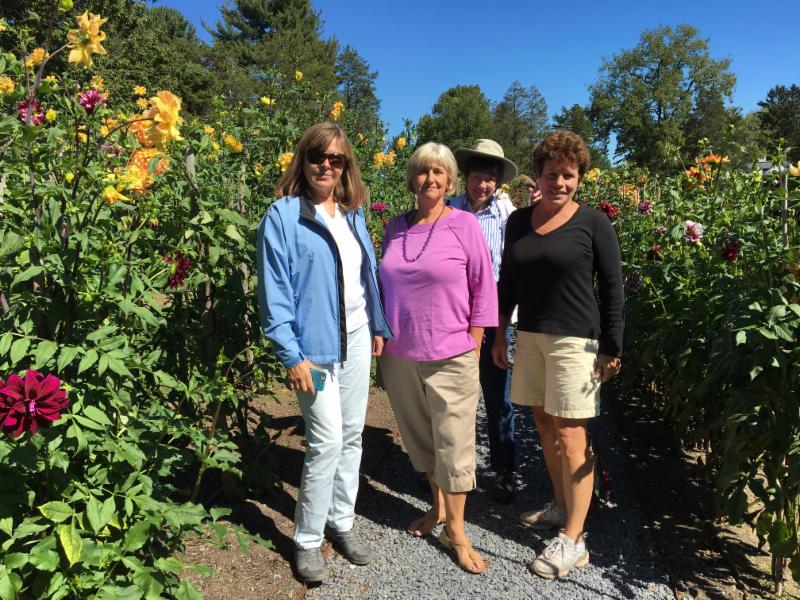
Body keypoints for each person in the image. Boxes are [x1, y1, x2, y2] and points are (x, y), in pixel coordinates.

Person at [256, 123, 393, 583]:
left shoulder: (353, 215)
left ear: (346, 166)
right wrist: (291, 356)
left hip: (355, 343)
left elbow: (364, 276)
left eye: (336, 159)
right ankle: (308, 540)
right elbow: (274, 295)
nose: (326, 166)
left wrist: (375, 324)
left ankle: (343, 521)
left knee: (352, 435)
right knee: (326, 441)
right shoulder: (283, 217)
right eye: (318, 156)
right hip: (313, 351)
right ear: (303, 160)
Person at [492, 130, 623, 579]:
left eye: (568, 176)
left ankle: (574, 539)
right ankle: (563, 504)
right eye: (552, 175)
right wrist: (496, 334)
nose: (560, 183)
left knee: (572, 435)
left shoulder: (592, 223)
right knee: (544, 422)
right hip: (529, 335)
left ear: (579, 178)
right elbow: (507, 281)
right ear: (539, 176)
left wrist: (611, 346)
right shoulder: (518, 222)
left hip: (575, 342)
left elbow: (612, 287)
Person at [378, 142, 497, 574]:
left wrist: (476, 339)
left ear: (450, 181)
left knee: (455, 443)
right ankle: (439, 508)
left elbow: (484, 286)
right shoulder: (394, 228)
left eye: (440, 173)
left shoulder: (464, 225)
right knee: (422, 439)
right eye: (424, 172)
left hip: (452, 353)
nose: (431, 179)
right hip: (399, 355)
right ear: (412, 178)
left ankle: (458, 532)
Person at [449, 139, 518, 504]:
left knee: (497, 395)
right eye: (477, 176)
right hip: (454, 312)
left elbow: (511, 270)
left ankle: (504, 469)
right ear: (467, 177)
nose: (483, 185)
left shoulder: (507, 216)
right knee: (452, 394)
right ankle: (448, 469)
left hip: (492, 315)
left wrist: (504, 326)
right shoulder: (449, 210)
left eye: (490, 178)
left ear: (497, 182)